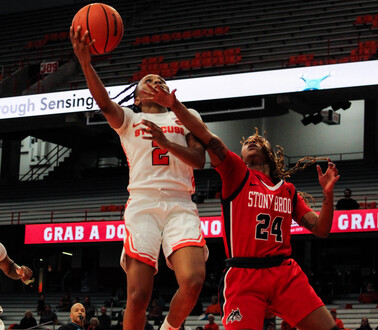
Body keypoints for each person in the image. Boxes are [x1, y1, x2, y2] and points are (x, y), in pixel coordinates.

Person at [144, 86, 341, 329]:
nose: (251, 142)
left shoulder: (287, 190)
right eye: (247, 142)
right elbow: (206, 136)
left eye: (257, 141)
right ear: (240, 154)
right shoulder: (237, 173)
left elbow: (321, 229)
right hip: (244, 274)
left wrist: (328, 195)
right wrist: (174, 105)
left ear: (269, 153)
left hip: (284, 272)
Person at [71, 24, 207, 330]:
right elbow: (104, 102)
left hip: (180, 202)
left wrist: (167, 142)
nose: (156, 81)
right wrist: (85, 63)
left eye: (161, 79)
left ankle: (169, 329)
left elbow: (199, 160)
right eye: (148, 79)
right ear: (136, 95)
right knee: (137, 296)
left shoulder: (187, 116)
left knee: (194, 281)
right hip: (143, 203)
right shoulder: (129, 118)